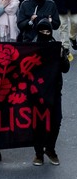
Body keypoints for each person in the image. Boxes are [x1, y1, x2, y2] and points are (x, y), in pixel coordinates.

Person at [31, 18, 69, 166]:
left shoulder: (55, 47)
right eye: (42, 31)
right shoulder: (32, 46)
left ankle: (50, 149)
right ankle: (38, 153)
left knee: (56, 120)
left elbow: (65, 69)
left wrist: (61, 57)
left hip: (54, 90)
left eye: (48, 31)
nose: (45, 34)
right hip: (36, 92)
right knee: (38, 123)